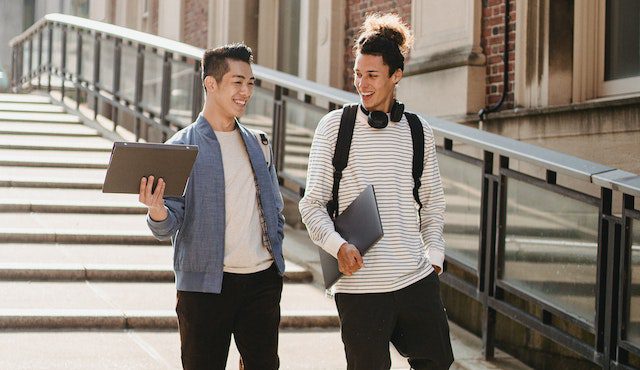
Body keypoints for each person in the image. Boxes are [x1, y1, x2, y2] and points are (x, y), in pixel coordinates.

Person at [299, 13, 454, 370]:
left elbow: (432, 204)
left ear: (396, 76)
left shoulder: (418, 130)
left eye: (372, 75)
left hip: (416, 279)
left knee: (438, 363)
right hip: (360, 289)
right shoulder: (335, 127)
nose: (362, 84)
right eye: (357, 74)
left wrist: (435, 255)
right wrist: (338, 246)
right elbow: (312, 204)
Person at [139, 43, 285, 370]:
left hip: (262, 281)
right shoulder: (180, 147)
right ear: (211, 84)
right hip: (204, 287)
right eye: (237, 82)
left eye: (250, 82)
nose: (246, 91)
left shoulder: (259, 143)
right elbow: (165, 225)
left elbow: (275, 208)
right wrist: (157, 208)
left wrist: (276, 256)